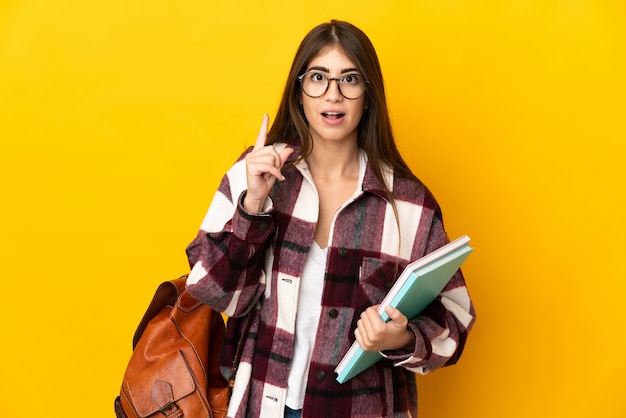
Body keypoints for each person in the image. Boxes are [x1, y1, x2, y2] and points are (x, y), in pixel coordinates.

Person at [186, 20, 475, 418]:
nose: (333, 95)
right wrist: (253, 205)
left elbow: (456, 319)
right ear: (299, 90)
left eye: (349, 79)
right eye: (318, 77)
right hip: (265, 405)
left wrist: (402, 336)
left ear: (367, 95)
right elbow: (214, 293)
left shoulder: (410, 204)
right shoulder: (254, 176)